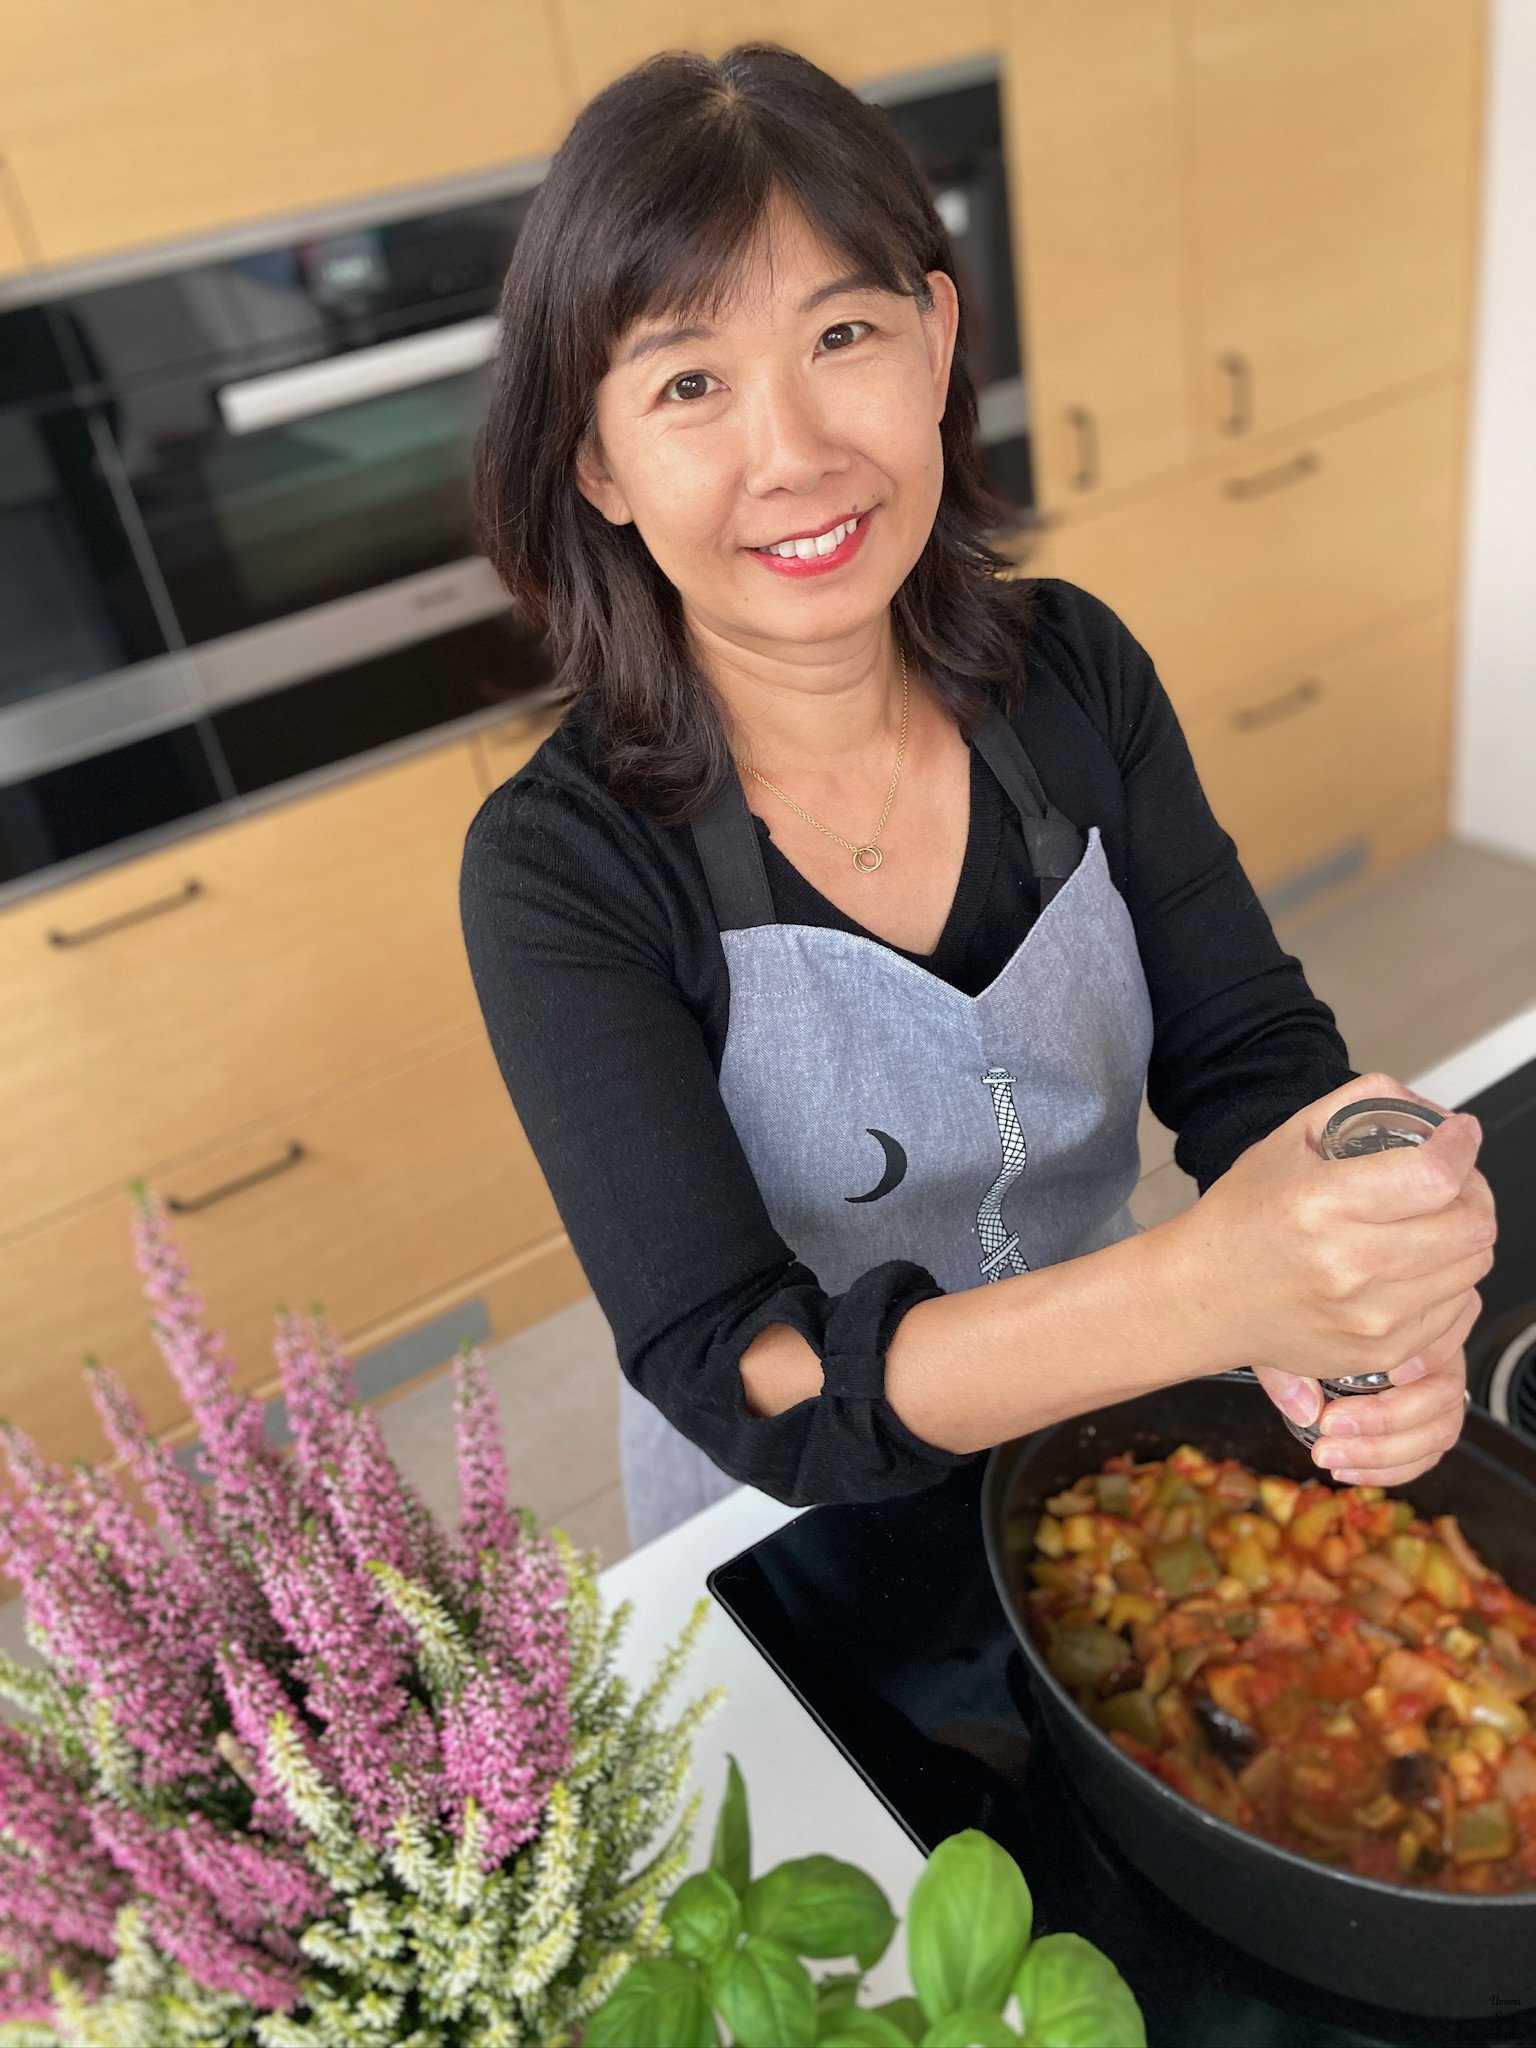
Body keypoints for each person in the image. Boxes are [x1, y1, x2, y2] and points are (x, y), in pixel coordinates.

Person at [459, 44, 1494, 1549]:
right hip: (778, 1545)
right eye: (689, 383)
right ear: (598, 465)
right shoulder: (562, 868)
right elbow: (743, 1372)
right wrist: (1212, 1290)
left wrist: (1363, 1292)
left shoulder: (1072, 673)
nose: (797, 455)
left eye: (844, 335)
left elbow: (1247, 1053)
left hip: (1109, 1451)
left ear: (936, 345)